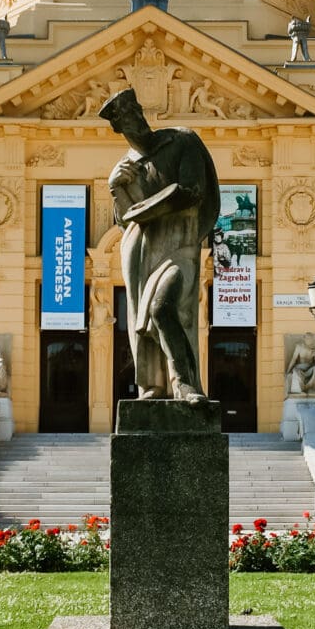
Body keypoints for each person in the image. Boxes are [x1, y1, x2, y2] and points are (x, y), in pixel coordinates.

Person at [100, 88, 220, 403]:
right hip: (140, 252)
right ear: (118, 128)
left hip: (179, 248)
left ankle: (184, 383)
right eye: (127, 118)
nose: (136, 121)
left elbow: (190, 191)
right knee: (141, 322)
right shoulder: (126, 165)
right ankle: (151, 386)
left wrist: (141, 211)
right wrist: (115, 187)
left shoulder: (182, 140)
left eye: (137, 113)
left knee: (162, 307)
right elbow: (125, 220)